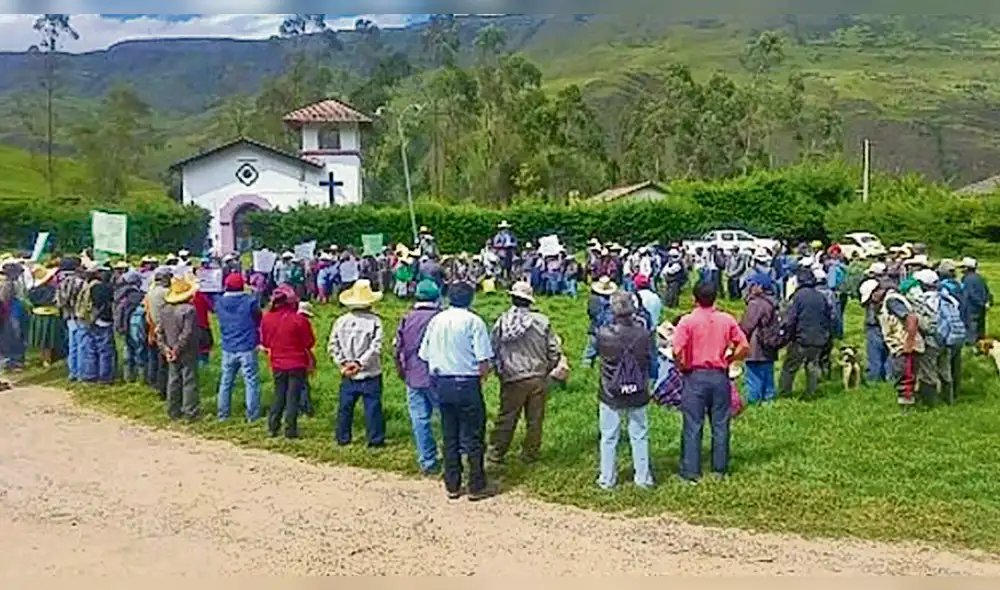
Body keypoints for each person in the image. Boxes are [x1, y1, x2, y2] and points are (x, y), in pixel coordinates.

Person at [418, 281, 495, 501]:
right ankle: (476, 484)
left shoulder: (436, 321)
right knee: (473, 435)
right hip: (467, 381)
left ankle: (452, 483)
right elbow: (483, 360)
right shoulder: (474, 322)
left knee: (449, 434)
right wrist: (483, 377)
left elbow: (424, 354)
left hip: (442, 381)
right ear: (470, 299)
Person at [673, 282, 749, 483]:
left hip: (695, 375)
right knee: (721, 424)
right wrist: (731, 359)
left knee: (692, 424)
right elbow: (744, 345)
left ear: (694, 299)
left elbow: (676, 350)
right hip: (719, 374)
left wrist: (681, 366)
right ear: (715, 298)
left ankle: (690, 471)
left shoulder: (687, 321)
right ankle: (720, 469)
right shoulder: (726, 319)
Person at [488, 281, 562, 465]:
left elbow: (493, 349)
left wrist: (500, 371)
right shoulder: (542, 321)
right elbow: (554, 350)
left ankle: (496, 453)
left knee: (506, 417)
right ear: (530, 301)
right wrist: (548, 369)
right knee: (535, 419)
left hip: (513, 377)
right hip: (537, 376)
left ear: (512, 298)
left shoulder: (502, 322)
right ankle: (530, 454)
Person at [596, 291, 655, 489]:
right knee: (639, 435)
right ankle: (643, 478)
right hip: (638, 388)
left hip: (610, 390)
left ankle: (607, 479)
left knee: (609, 436)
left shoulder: (603, 334)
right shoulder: (644, 334)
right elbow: (650, 360)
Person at [394, 279, 443, 475]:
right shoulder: (442, 317)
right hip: (438, 375)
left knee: (419, 419)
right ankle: (453, 453)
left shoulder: (407, 318)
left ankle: (427, 460)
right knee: (446, 417)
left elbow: (397, 348)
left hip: (413, 375)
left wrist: (400, 370)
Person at [329, 279, 385, 447]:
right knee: (373, 408)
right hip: (370, 372)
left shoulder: (341, 321)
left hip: (347, 372)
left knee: (345, 408)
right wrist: (360, 364)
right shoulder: (375, 322)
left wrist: (343, 363)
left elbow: (333, 345)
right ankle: (375, 440)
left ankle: (342, 437)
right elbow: (376, 347)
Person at [260, 285, 315, 439]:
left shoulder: (267, 318)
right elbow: (309, 342)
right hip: (297, 363)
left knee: (279, 395)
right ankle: (290, 430)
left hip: (277, 362)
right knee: (293, 398)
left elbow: (265, 341)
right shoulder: (299, 320)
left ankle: (273, 426)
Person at [779, 267, 833, 399]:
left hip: (801, 338)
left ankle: (784, 393)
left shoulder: (798, 297)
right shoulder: (821, 296)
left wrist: (785, 335)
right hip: (819, 338)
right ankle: (810, 393)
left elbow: (790, 319)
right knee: (812, 365)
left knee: (789, 367)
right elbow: (829, 317)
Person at [215, 272, 262, 422]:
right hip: (247, 345)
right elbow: (258, 317)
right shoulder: (250, 301)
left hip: (228, 346)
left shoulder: (219, 302)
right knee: (251, 381)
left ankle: (223, 414)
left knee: (226, 382)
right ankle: (252, 415)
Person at [157, 276, 200, 421]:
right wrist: (177, 349)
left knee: (173, 379)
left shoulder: (164, 310)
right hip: (186, 350)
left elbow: (159, 331)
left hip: (169, 348)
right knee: (189, 380)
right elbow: (187, 333)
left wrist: (166, 349)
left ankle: (173, 410)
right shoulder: (189, 310)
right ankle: (190, 412)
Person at [880, 281, 929, 410]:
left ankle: (907, 410)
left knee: (905, 378)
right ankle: (912, 405)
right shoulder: (898, 300)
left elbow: (911, 319)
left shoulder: (892, 301)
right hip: (907, 345)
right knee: (910, 377)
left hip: (904, 346)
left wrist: (908, 343)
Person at [739, 273, 779, 405]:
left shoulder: (756, 304)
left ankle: (753, 401)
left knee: (753, 375)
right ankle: (769, 401)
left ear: (760, 287)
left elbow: (746, 326)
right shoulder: (772, 301)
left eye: (753, 284)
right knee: (768, 375)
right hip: (770, 344)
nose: (750, 287)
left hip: (756, 346)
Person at [55, 256, 86, 381]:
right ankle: (81, 373)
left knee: (72, 345)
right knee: (82, 345)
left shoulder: (60, 280)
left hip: (68, 315)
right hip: (79, 315)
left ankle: (72, 372)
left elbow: (58, 301)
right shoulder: (78, 281)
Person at [144, 267, 173, 398]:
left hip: (153, 325)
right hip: (165, 328)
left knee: (155, 358)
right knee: (166, 362)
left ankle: (154, 383)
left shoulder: (151, 291)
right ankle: (166, 390)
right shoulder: (166, 292)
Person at [27, 265, 64, 367]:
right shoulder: (51, 289)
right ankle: (47, 359)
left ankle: (43, 358)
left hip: (37, 314)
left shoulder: (32, 289)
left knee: (42, 340)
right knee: (48, 339)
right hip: (50, 315)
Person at [112, 271, 146, 382]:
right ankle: (141, 378)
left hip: (123, 325)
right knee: (139, 352)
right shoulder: (136, 295)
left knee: (128, 351)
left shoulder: (119, 293)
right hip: (135, 326)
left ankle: (127, 377)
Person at [582, 276, 617, 367]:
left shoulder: (593, 299)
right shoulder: (612, 300)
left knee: (590, 351)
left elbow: (590, 313)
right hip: (609, 330)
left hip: (595, 327)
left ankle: (585, 370)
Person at [960, 257, 992, 344]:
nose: (961, 270)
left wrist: (980, 303)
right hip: (981, 308)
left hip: (971, 308)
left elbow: (971, 294)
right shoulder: (980, 278)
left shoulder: (966, 279)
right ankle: (983, 345)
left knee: (971, 329)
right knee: (981, 328)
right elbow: (987, 291)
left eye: (963, 267)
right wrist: (986, 302)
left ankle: (972, 347)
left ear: (967, 268)